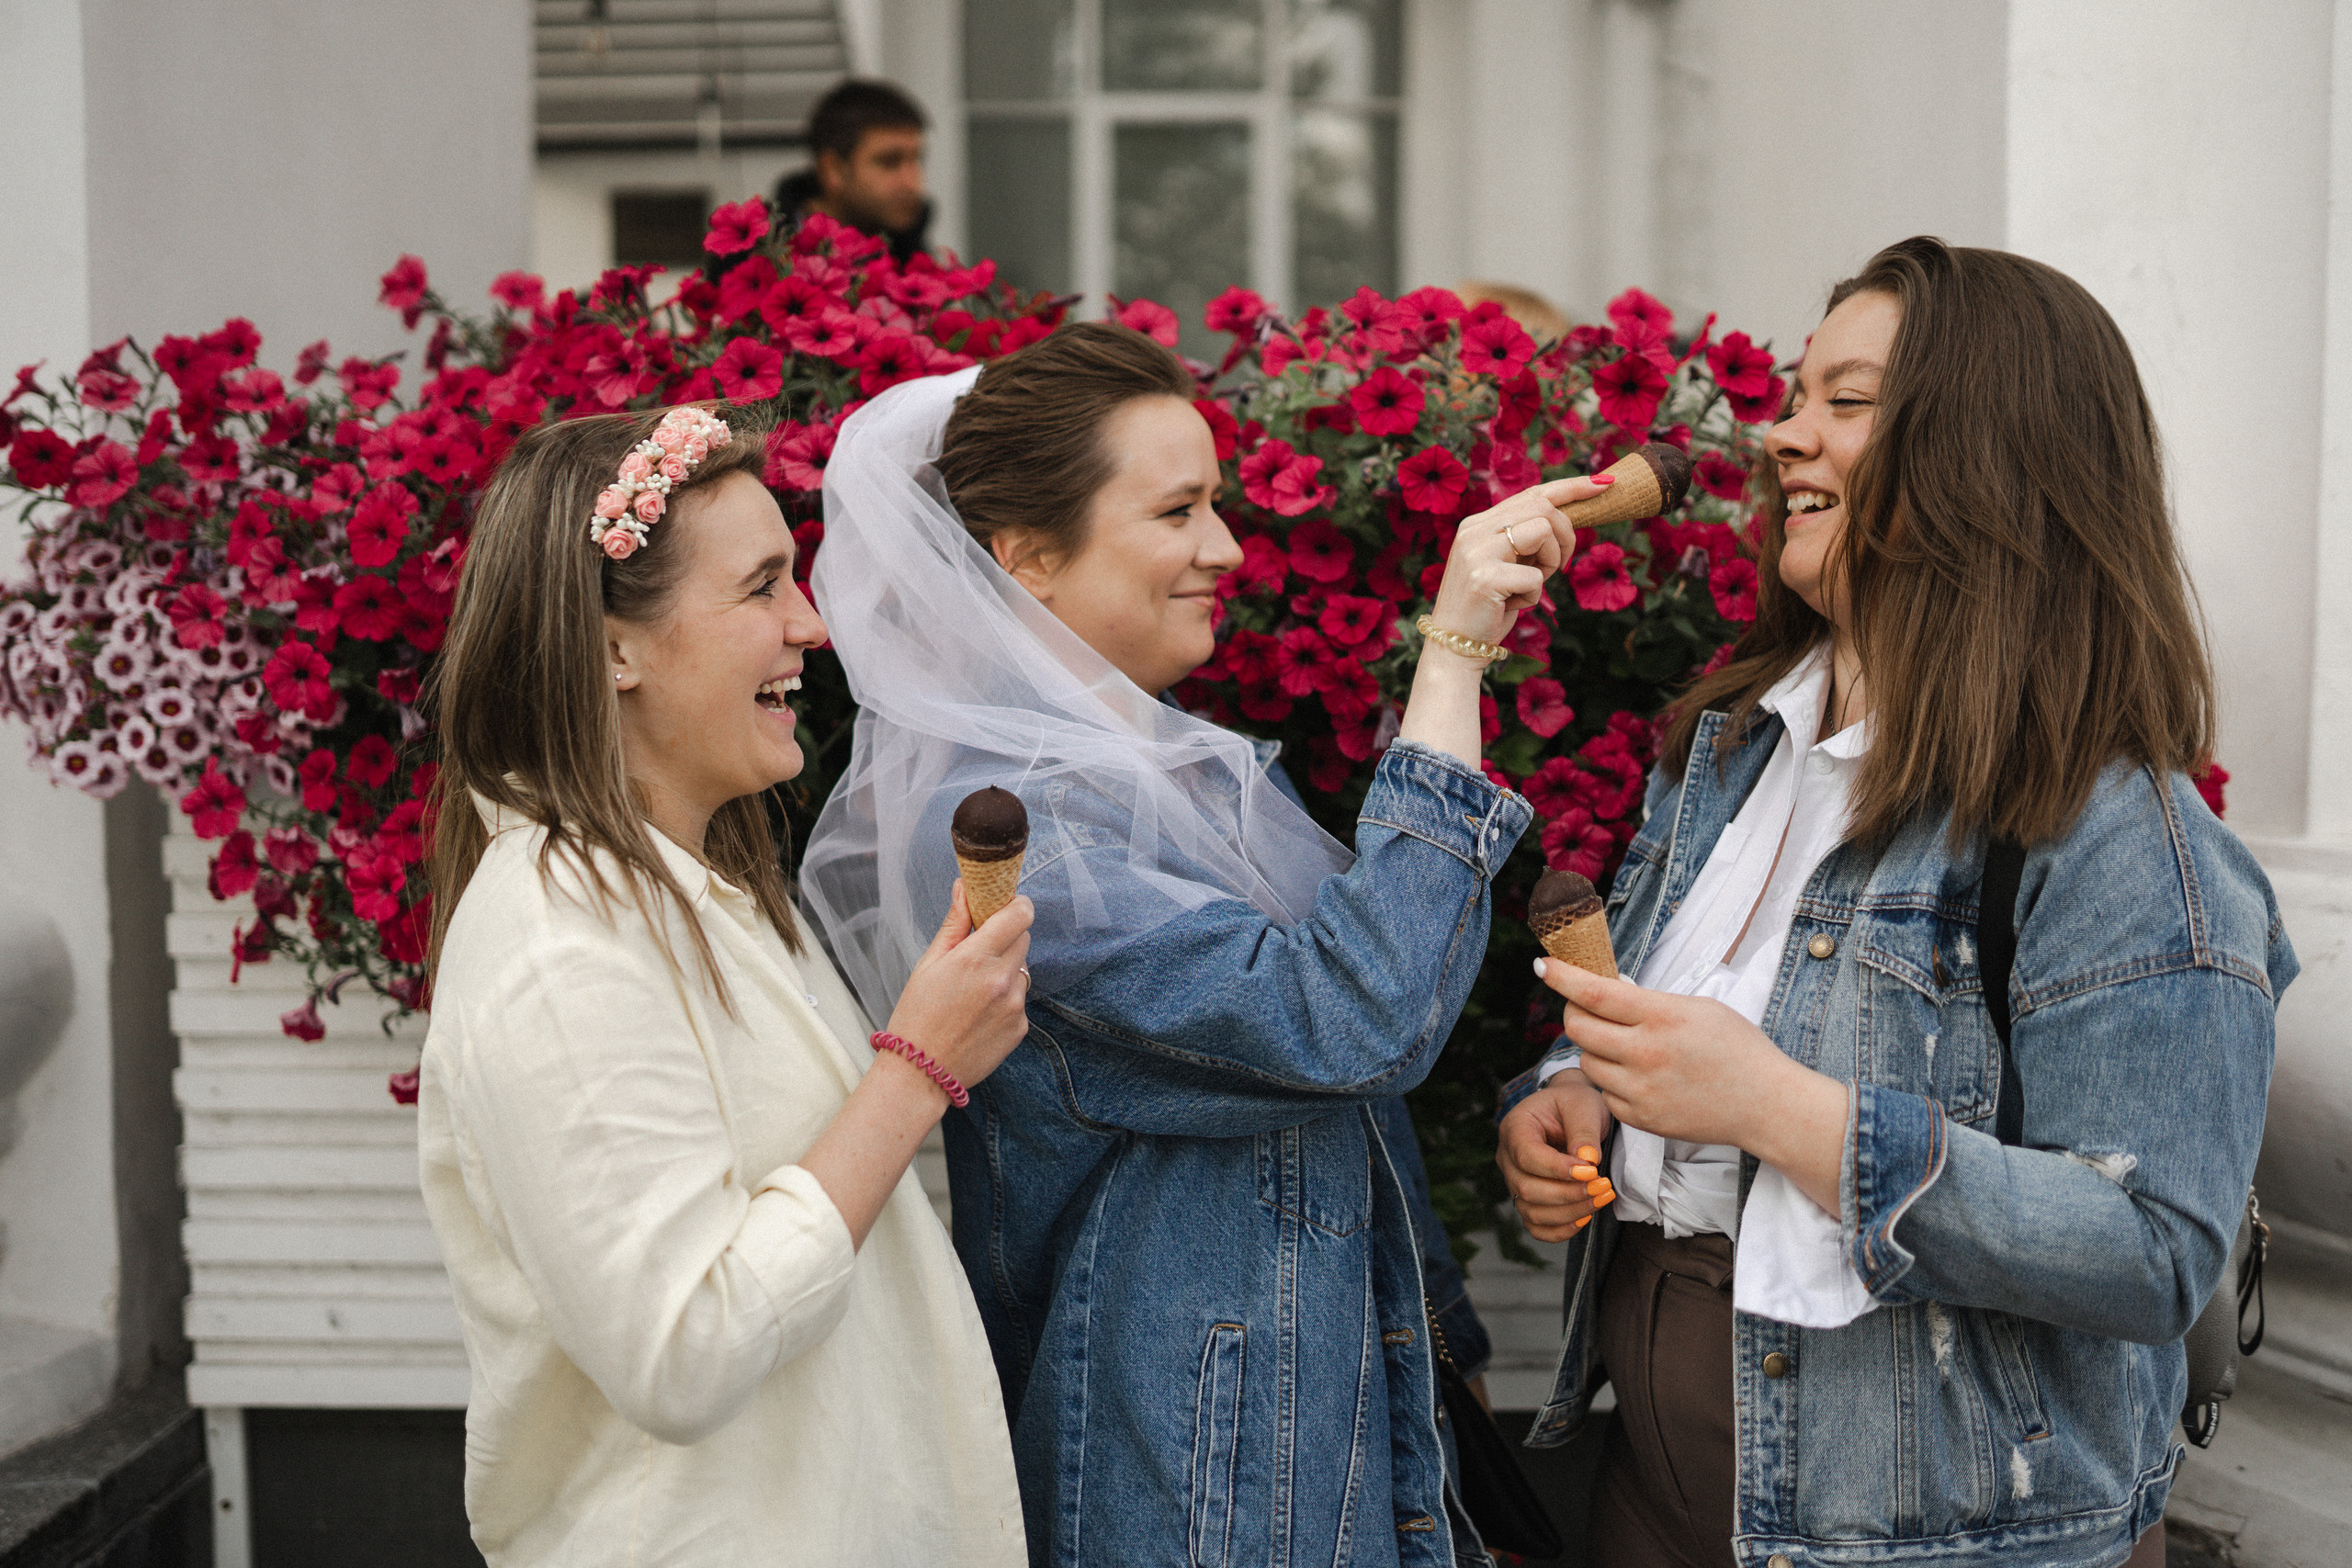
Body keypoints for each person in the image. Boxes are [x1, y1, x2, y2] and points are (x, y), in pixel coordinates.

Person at [1495, 236, 2293, 1568]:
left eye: (1843, 404)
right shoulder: (1731, 752)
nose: (1776, 436)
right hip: (1652, 1491)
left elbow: (2155, 1248)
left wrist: (1774, 1106)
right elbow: (1671, 1027)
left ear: (1987, 449)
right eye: (1797, 398)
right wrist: (1570, 1092)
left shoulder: (2115, 829)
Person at [801, 321, 1615, 1566]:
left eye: (1220, 504)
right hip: (1199, 1491)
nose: (1227, 549)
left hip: (1311, 1442)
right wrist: (1452, 662)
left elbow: (1339, 1106)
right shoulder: (1010, 832)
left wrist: (1444, 1365)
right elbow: (1348, 1018)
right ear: (1025, 557)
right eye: (1178, 509)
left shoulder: (1158, 772)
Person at [414, 401, 1034, 1565]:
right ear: (612, 646)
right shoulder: (560, 945)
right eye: (760, 588)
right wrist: (914, 1071)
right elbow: (683, 1348)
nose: (810, 625)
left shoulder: (705, 892)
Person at [773, 78, 930, 265]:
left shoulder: (912, 255)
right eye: (889, 162)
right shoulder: (762, 256)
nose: (911, 183)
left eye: (917, 160)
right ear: (833, 170)